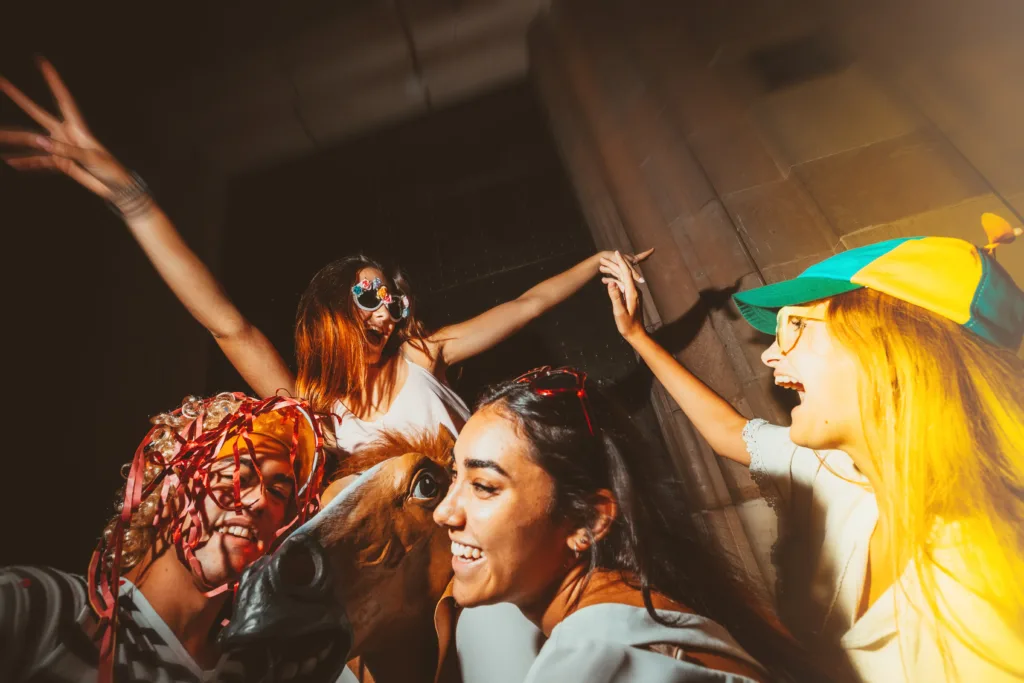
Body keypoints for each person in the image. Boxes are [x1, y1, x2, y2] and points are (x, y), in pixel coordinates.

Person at [0, 56, 648, 683]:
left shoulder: (424, 353)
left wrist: (594, 265)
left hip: (475, 541)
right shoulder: (312, 412)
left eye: (394, 297)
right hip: (388, 575)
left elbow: (525, 302)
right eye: (369, 293)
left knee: (485, 635)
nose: (388, 306)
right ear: (334, 307)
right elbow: (227, 323)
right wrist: (133, 198)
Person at [601, 218, 1024, 682]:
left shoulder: (983, 584)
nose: (768, 355)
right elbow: (728, 432)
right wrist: (637, 336)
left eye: (795, 326)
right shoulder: (833, 469)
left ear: (890, 346)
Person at [434, 367, 826, 683]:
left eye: (484, 486)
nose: (445, 512)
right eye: (453, 477)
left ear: (589, 520)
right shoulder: (658, 606)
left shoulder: (593, 665)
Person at [0, 392, 326, 683]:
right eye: (237, 477)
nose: (260, 501)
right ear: (173, 485)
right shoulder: (47, 610)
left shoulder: (256, 672)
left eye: (278, 491)